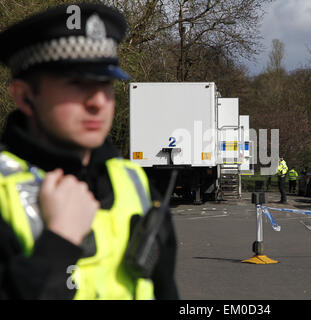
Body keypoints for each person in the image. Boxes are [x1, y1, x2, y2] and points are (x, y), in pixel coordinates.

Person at [0, 3, 178, 300]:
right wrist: (59, 245)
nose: (98, 101)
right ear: (25, 96)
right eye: (77, 83)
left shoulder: (136, 184)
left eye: (105, 83)